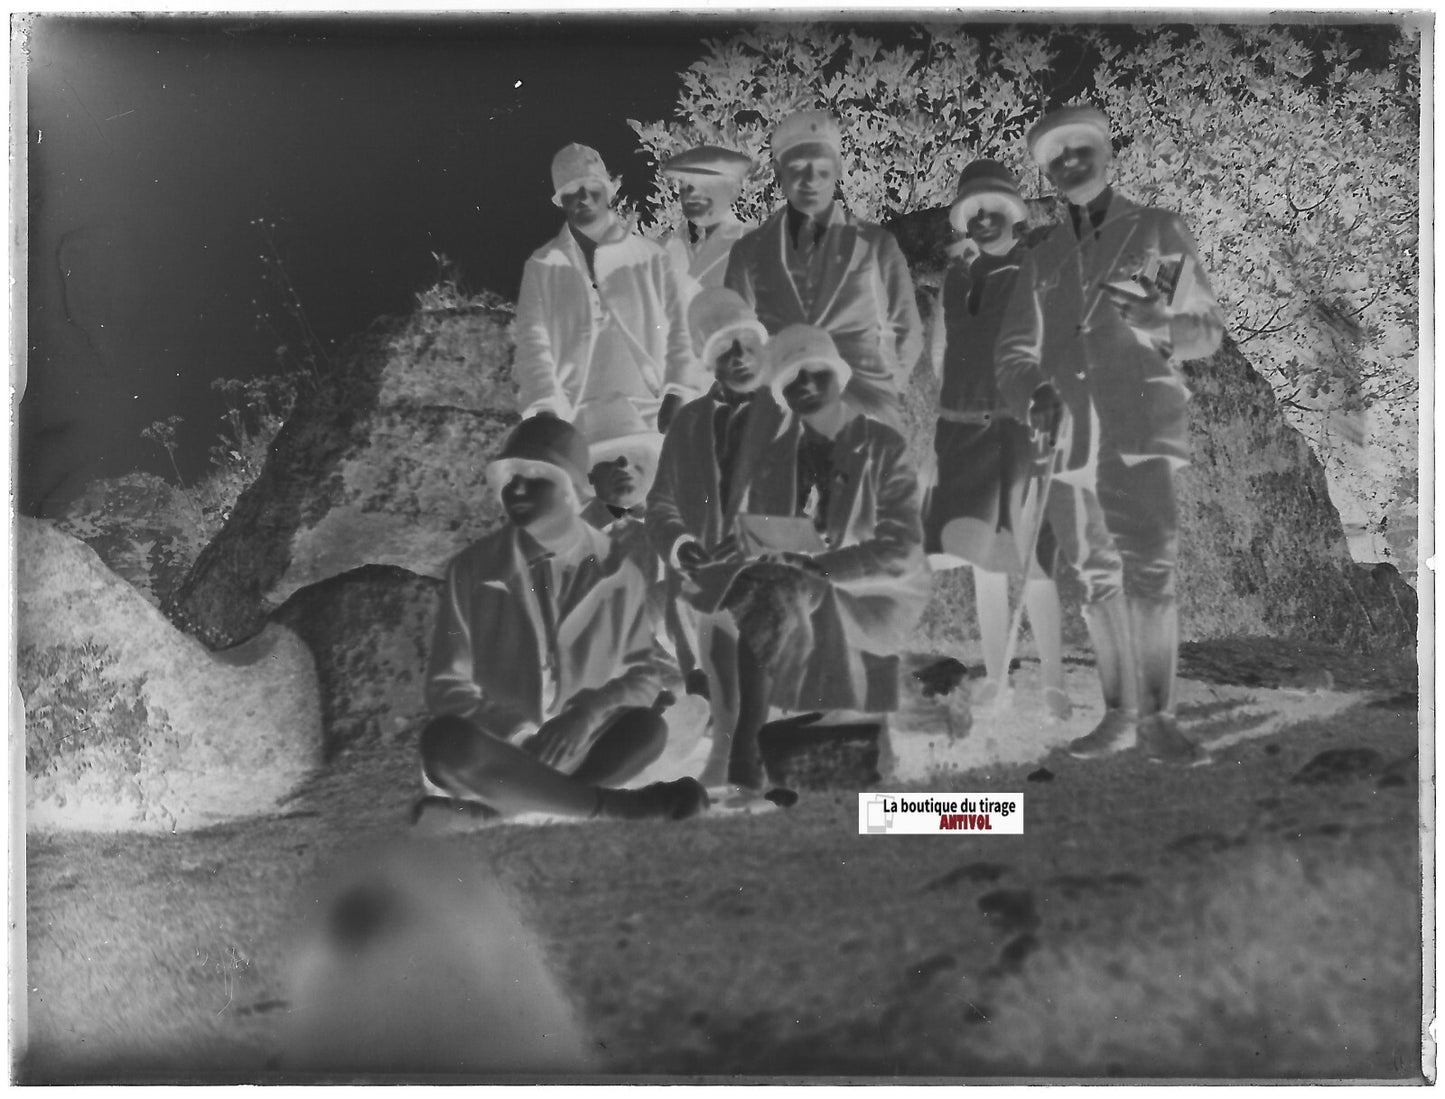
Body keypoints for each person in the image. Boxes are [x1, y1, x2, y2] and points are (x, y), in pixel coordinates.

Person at [995, 105, 1225, 765]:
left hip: (1135, 426)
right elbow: (1013, 353)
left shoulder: (1154, 229)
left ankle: (1158, 718)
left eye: (1080, 148)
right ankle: (1116, 711)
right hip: (1067, 438)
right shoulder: (1040, 255)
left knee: (1149, 568)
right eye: (1055, 155)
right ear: (1044, 170)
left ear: (1104, 152)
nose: (1070, 162)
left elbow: (1204, 329)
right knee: (1094, 573)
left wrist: (1158, 321)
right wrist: (1032, 392)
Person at [677, 323, 931, 798]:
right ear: (779, 392)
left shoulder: (880, 445)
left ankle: (746, 752)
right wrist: (743, 545)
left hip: (874, 591)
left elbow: (901, 546)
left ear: (840, 376)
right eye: (792, 377)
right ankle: (735, 741)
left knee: (763, 589)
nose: (807, 383)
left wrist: (825, 567)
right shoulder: (780, 453)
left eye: (817, 370)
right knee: (719, 587)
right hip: (802, 584)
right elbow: (779, 534)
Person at [418, 416, 709, 820]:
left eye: (535, 473)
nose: (516, 486)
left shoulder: (617, 568)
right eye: (511, 475)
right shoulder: (470, 570)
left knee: (646, 728)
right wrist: (518, 734)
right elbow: (445, 686)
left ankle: (506, 814)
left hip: (583, 743)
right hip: (501, 750)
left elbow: (642, 676)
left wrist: (584, 714)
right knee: (443, 740)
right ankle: (615, 806)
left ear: (572, 491)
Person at [924, 159, 1070, 720]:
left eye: (994, 208)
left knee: (1033, 560)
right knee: (982, 563)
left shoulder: (1032, 269)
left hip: (1017, 430)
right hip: (962, 432)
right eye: (974, 211)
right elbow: (941, 353)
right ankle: (997, 677)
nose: (984, 218)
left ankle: (1055, 683)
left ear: (1011, 212)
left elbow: (1048, 347)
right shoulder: (956, 276)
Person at [646, 286, 783, 789]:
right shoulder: (688, 424)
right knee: (710, 599)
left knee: (734, 598)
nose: (740, 356)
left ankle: (739, 747)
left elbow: (821, 509)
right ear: (708, 361)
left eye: (748, 342)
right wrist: (682, 546)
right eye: (725, 348)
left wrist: (754, 540)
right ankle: (726, 746)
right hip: (710, 579)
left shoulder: (788, 410)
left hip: (781, 567)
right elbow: (659, 505)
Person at [723, 109, 923, 435]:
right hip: (781, 414)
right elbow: (738, 339)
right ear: (778, 170)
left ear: (838, 167)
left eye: (821, 165)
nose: (810, 177)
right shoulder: (749, 253)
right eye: (798, 166)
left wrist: (876, 389)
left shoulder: (875, 245)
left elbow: (905, 330)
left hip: (865, 409)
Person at [513, 143, 701, 433]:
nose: (583, 197)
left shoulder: (650, 257)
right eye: (571, 190)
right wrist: (545, 411)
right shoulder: (542, 267)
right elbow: (532, 347)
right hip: (572, 422)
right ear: (560, 200)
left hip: (649, 416)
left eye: (592, 185)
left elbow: (679, 332)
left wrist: (676, 395)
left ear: (609, 190)